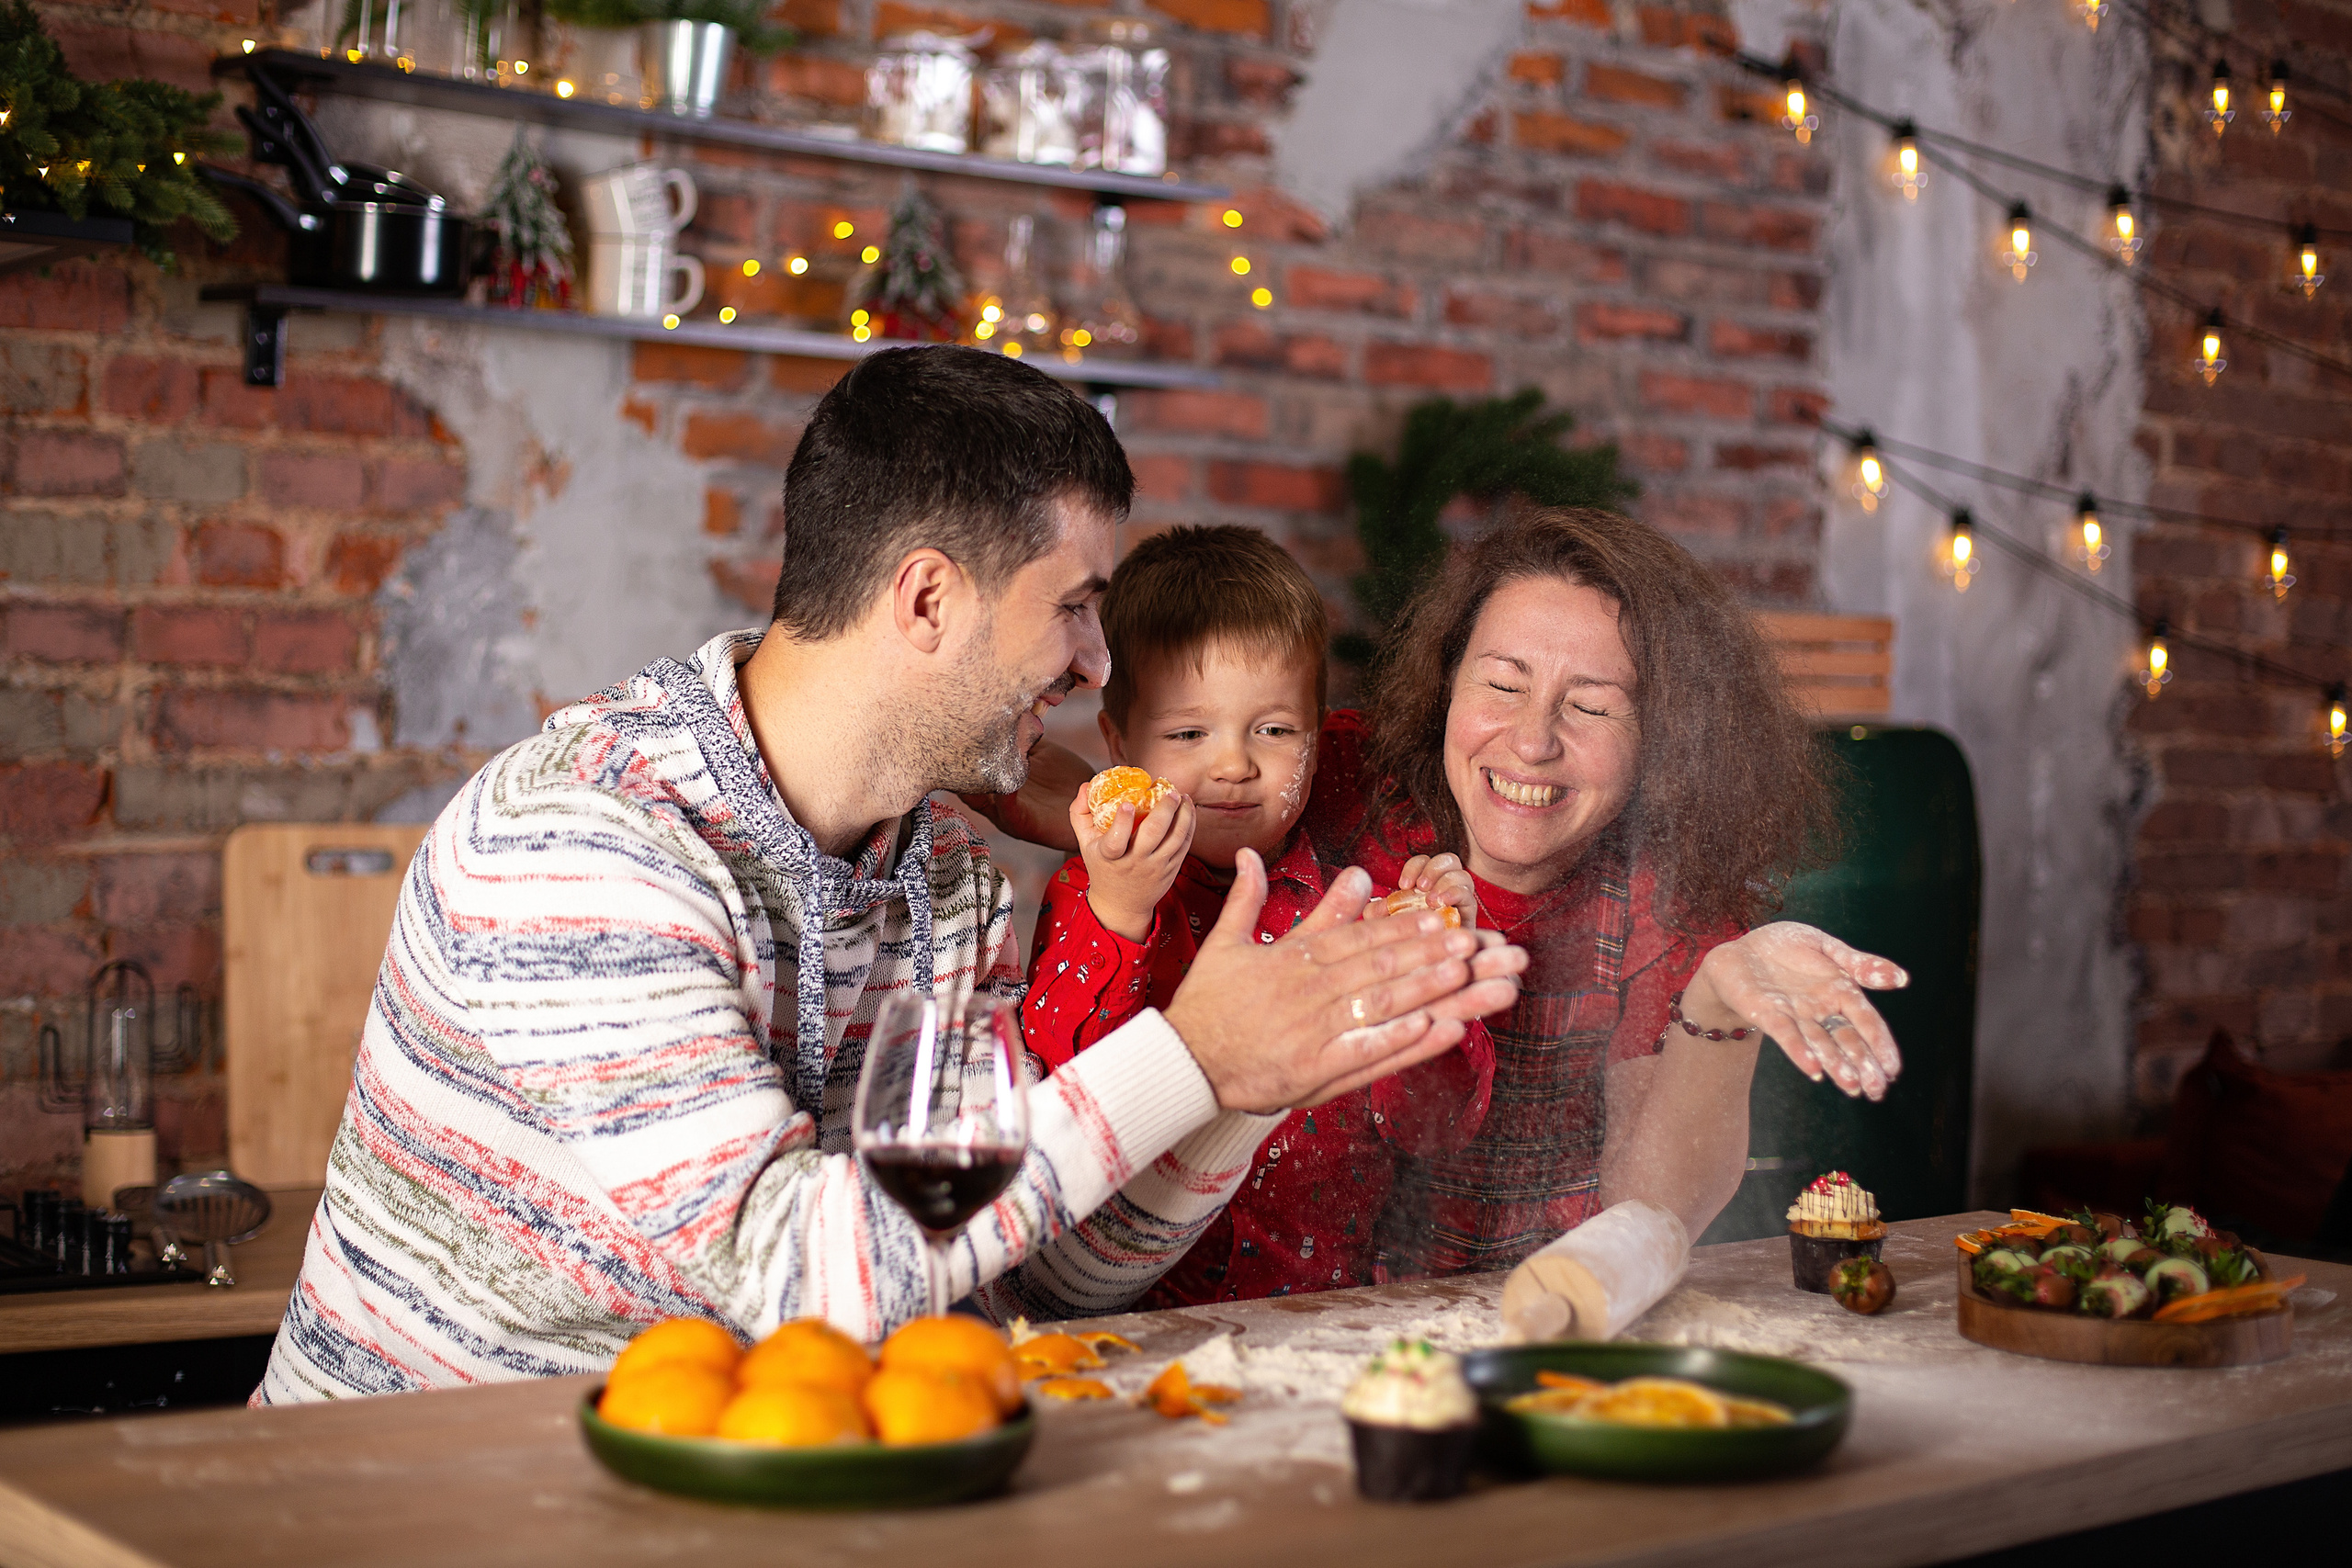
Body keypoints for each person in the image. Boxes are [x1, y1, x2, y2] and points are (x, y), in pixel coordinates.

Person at [255, 348, 1526, 1402]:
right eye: (1077, 605)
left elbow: (1024, 1270)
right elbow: (795, 1267)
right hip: (414, 1510)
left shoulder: (949, 878)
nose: (1097, 663)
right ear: (927, 599)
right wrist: (1194, 1056)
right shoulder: (586, 841)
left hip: (752, 1493)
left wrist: (1257, 1082)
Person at [994, 507, 1905, 1284]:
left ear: (1664, 738)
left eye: (1589, 707)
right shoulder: (1339, 776)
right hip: (1206, 1294)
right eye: (1501, 685)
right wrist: (1093, 830)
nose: (1531, 741)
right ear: (1443, 688)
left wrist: (1717, 998)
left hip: (1506, 1314)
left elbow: (1649, 1210)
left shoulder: (1663, 904)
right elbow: (1173, 748)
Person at [1021, 526, 1494, 1304]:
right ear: (1119, 744)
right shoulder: (1094, 892)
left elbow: (1435, 1128)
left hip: (1328, 1311)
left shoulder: (1357, 907)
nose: (1235, 764)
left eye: (1274, 730)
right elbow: (1069, 1113)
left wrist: (1434, 977)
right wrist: (1121, 909)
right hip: (1137, 1317)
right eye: (1188, 733)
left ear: (1319, 732)